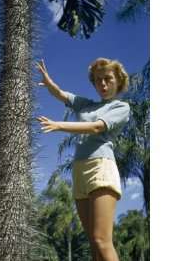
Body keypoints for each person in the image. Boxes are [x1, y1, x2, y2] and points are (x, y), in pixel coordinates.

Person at [36, 58, 130, 261]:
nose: (103, 84)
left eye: (108, 79)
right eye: (98, 80)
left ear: (118, 81)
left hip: (100, 167)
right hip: (80, 170)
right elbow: (61, 95)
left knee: (101, 240)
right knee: (93, 243)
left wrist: (59, 126)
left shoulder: (120, 107)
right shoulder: (86, 105)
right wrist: (49, 83)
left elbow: (96, 127)